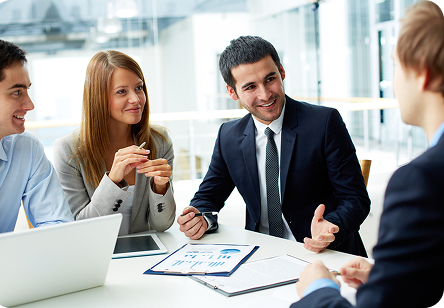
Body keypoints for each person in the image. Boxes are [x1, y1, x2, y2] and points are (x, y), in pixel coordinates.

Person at [292, 1, 444, 307]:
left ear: (422, 74)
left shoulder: (421, 181)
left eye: (395, 66)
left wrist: (318, 289)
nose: (392, 83)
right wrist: (390, 277)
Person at [177, 35, 370, 256]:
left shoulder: (324, 123)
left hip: (324, 252)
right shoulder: (228, 136)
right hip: (261, 254)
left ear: (282, 72)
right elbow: (208, 198)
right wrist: (199, 218)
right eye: (250, 87)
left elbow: (355, 199)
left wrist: (331, 227)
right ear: (233, 92)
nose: (265, 94)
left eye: (270, 79)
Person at [53, 50, 175, 236]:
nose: (135, 99)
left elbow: (162, 225)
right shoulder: (68, 150)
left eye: (139, 88)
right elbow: (80, 228)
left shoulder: (160, 141)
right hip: (95, 257)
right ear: (98, 98)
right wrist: (112, 181)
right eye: (121, 92)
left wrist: (160, 187)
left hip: (144, 255)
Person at [0, 38, 73, 234]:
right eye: (17, 92)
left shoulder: (26, 148)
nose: (30, 105)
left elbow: (57, 225)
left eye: (27, 90)